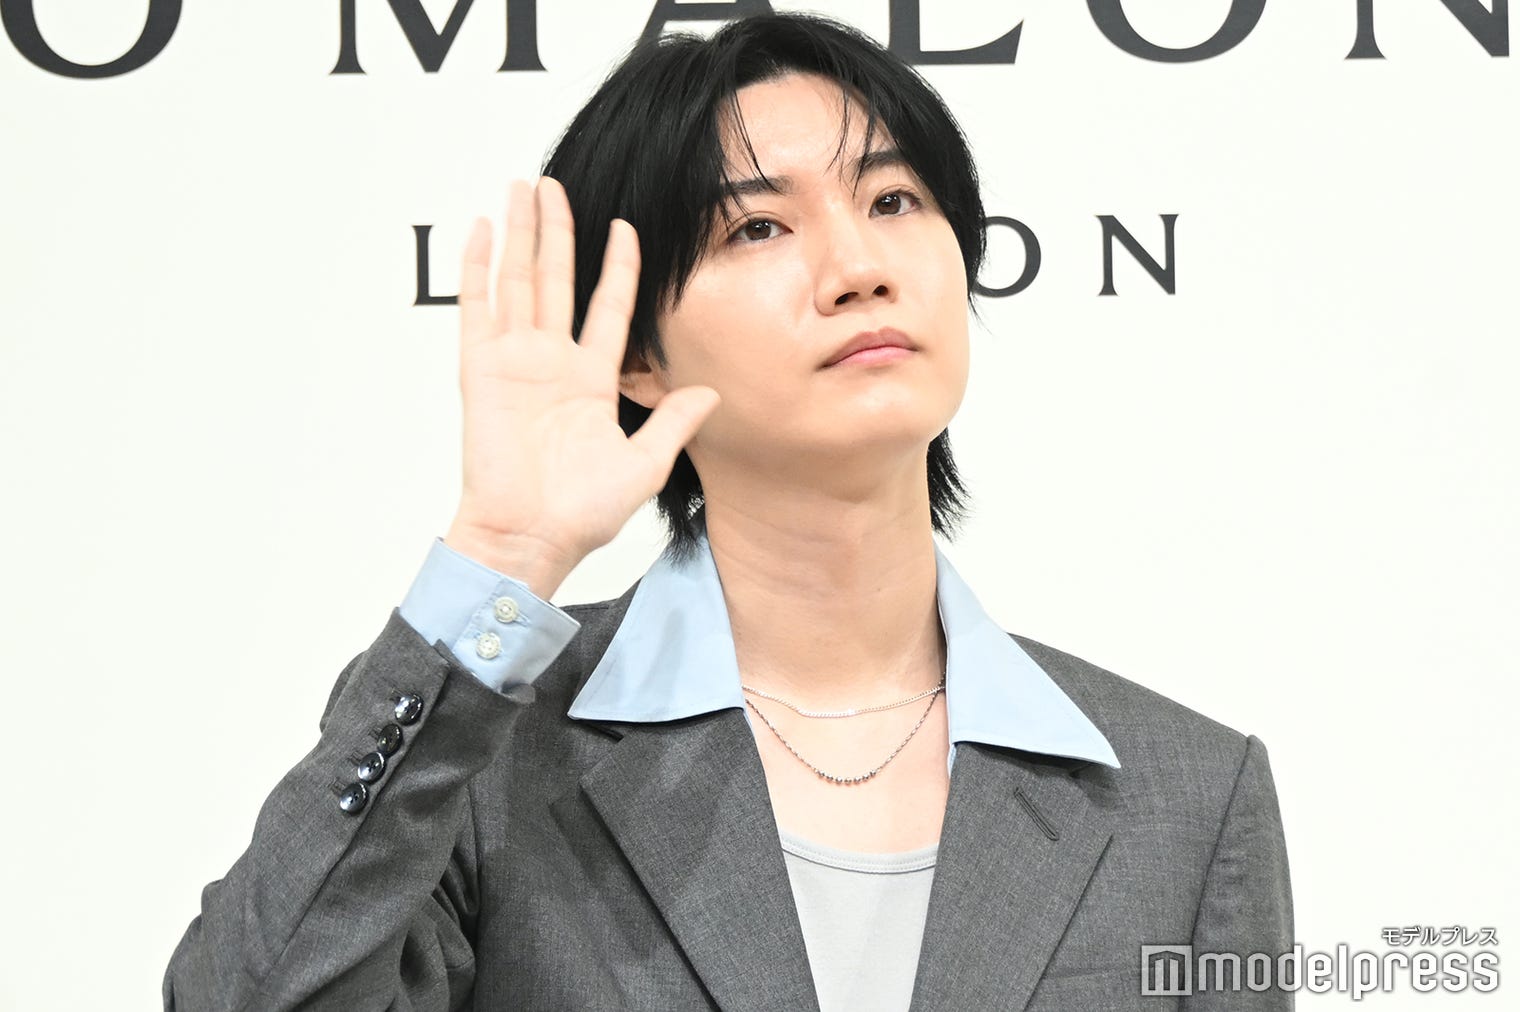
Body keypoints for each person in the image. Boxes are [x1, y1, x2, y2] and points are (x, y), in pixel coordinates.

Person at [162, 12, 1292, 1011]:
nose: (858, 265)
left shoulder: (1187, 796)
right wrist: (502, 553)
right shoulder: (479, 753)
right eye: (757, 228)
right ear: (636, 352)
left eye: (893, 200)